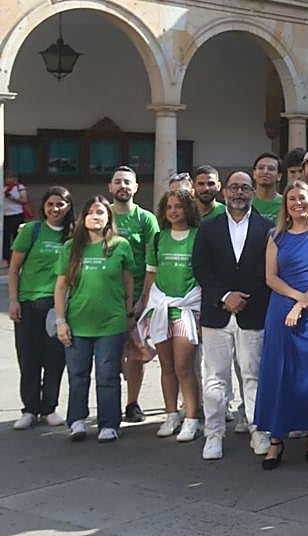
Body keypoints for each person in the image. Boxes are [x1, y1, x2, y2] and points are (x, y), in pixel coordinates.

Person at [192, 170, 273, 461]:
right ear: (224, 192)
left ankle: (258, 430)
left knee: (253, 376)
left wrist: (243, 297)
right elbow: (200, 267)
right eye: (234, 187)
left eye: (245, 188)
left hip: (253, 313)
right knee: (215, 378)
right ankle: (213, 434)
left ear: (252, 192)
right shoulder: (208, 228)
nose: (239, 193)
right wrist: (225, 296)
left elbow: (267, 269)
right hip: (217, 314)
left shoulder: (267, 228)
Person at [254, 180, 308, 468]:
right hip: (282, 307)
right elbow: (270, 277)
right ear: (285, 205)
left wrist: (303, 304)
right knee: (280, 371)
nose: (298, 203)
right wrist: (296, 300)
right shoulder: (275, 236)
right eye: (292, 199)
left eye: (303, 198)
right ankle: (276, 440)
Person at [53, 195, 134, 442]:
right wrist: (60, 321)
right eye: (90, 212)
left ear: (108, 217)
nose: (95, 216)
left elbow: (129, 281)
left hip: (111, 323)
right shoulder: (71, 248)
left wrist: (129, 312)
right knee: (77, 374)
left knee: (108, 374)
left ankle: (109, 423)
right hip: (78, 322)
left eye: (100, 212)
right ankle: (76, 420)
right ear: (82, 217)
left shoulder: (121, 245)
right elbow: (60, 287)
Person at [138, 186, 203, 443]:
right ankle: (171, 414)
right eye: (169, 207)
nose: (174, 211)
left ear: (188, 208)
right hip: (161, 307)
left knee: (184, 366)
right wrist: (144, 304)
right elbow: (151, 273)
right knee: (166, 366)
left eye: (178, 206)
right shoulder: (158, 238)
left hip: (187, 308)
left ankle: (192, 418)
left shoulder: (199, 236)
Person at [7, 186, 73, 430]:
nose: (55, 209)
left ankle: (49, 407)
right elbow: (14, 269)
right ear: (43, 207)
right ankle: (30, 409)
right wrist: (13, 299)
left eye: (60, 204)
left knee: (55, 359)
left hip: (57, 306)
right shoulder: (32, 231)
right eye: (51, 204)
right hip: (28, 303)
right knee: (28, 357)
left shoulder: (73, 235)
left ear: (68, 207)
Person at [107, 166, 159, 425]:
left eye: (127, 182)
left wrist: (143, 299)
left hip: (137, 295)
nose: (123, 186)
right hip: (107, 298)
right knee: (109, 356)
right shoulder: (102, 215)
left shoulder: (145, 219)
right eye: (118, 182)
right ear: (110, 187)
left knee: (136, 355)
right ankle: (109, 405)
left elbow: (153, 262)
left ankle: (132, 403)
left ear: (136, 187)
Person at [2, 172, 30, 262]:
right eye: (7, 178)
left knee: (17, 236)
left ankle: (17, 258)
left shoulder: (19, 187)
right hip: (4, 215)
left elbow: (24, 200)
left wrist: (12, 198)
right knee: (5, 238)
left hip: (16, 214)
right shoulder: (1, 187)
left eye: (10, 177)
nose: (8, 180)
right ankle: (6, 257)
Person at [252, 152, 283, 223]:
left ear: (279, 176)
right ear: (254, 174)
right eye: (261, 168)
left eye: (271, 169)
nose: (265, 172)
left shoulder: (286, 203)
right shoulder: (245, 201)